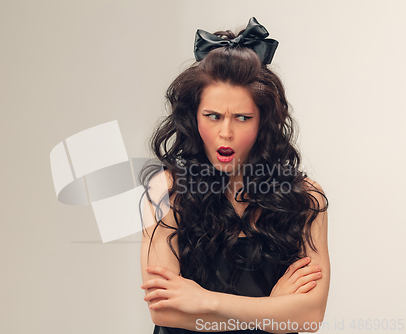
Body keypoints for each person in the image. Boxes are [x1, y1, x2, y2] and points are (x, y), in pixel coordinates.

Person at [139, 17, 329, 334]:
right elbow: (166, 313)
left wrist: (205, 301)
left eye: (242, 117)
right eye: (213, 116)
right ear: (193, 118)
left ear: (263, 122)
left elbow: (310, 317)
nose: (225, 132)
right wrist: (272, 313)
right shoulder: (166, 190)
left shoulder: (305, 198)